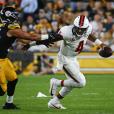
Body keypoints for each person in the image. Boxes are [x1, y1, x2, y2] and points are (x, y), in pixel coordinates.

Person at [36, 15, 111, 109]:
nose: (79, 31)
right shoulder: (66, 31)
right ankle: (56, 82)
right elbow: (50, 37)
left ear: (86, 27)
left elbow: (89, 35)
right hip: (65, 58)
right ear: (74, 25)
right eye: (78, 28)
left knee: (72, 82)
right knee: (81, 82)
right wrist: (34, 42)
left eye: (82, 29)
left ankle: (54, 102)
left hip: (73, 58)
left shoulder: (87, 29)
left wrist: (101, 44)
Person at [0, 6, 46, 109]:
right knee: (2, 90)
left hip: (3, 59)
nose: (16, 17)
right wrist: (46, 38)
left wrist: (36, 43)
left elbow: (24, 41)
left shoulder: (5, 26)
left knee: (13, 79)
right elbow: (29, 37)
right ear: (8, 17)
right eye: (14, 15)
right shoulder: (11, 28)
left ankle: (9, 103)